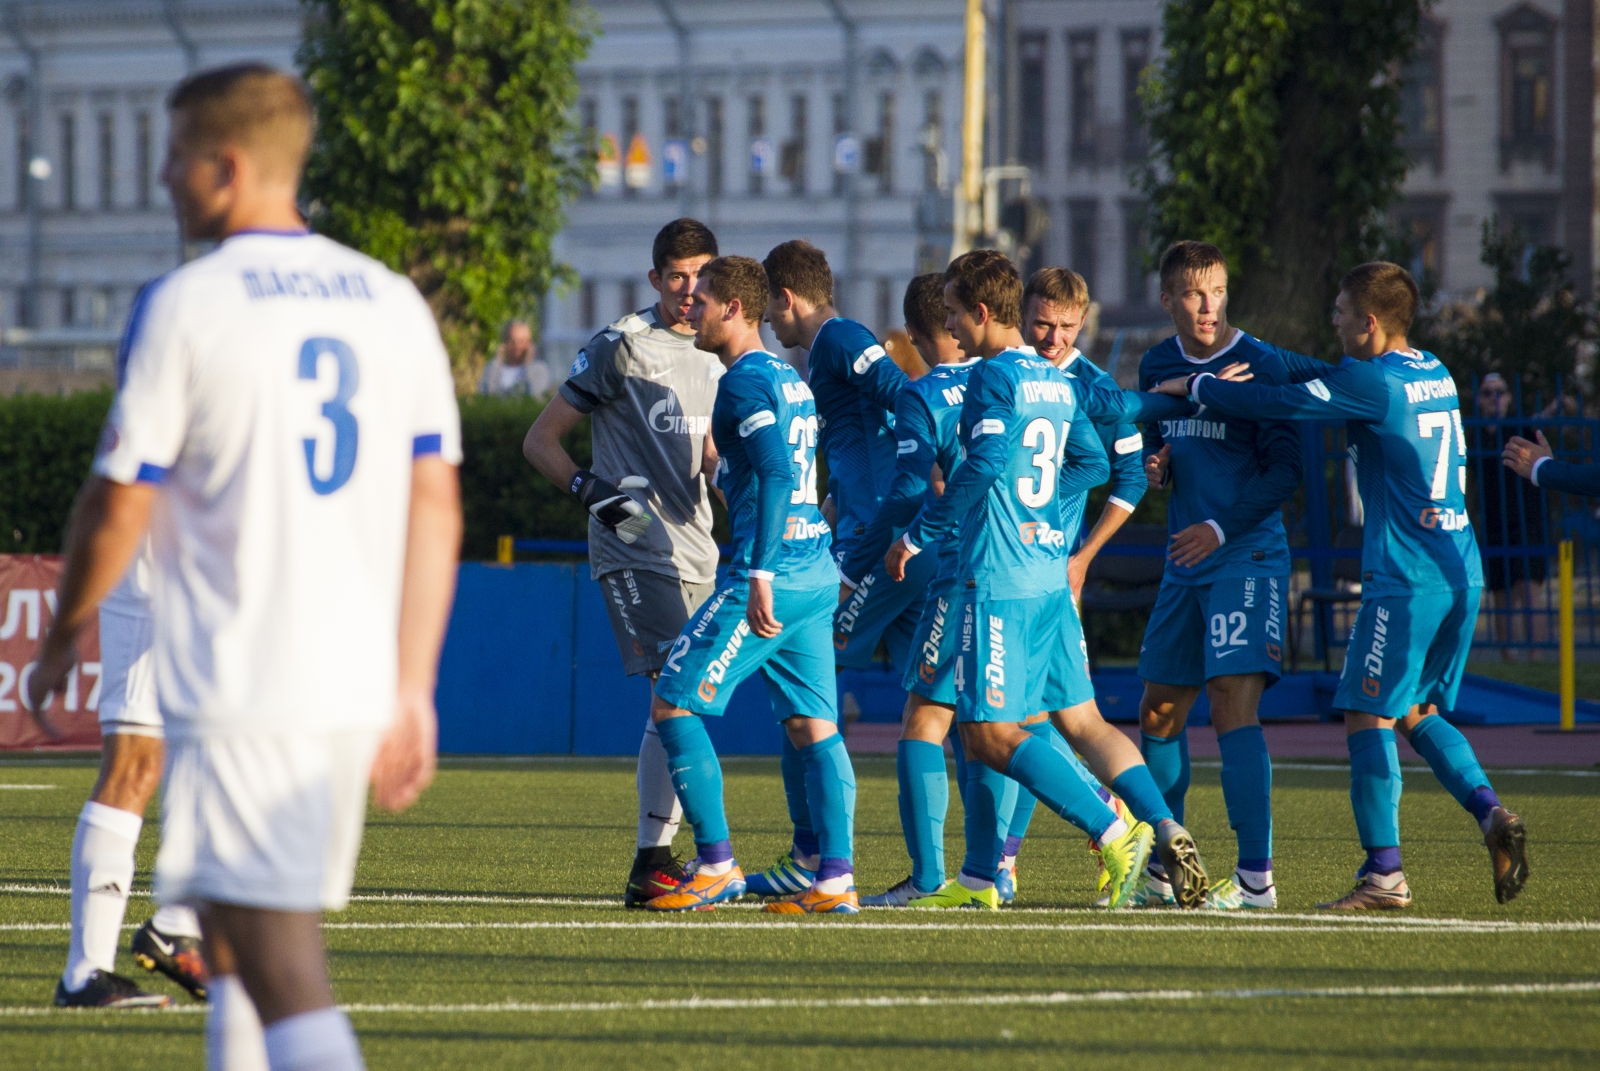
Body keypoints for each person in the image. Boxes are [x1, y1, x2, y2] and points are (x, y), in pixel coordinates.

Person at [27, 62, 462, 1071]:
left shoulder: (192, 302)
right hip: (345, 677)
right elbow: (435, 503)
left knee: (271, 959)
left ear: (225, 166)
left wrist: (60, 635)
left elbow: (119, 492)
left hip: (240, 673)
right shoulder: (391, 300)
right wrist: (411, 685)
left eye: (174, 157)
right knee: (235, 949)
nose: (163, 179)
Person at [1153, 260, 1529, 909]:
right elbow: (1322, 375)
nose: (1335, 322)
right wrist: (1266, 355)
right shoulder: (1429, 368)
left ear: (1370, 323)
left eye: (1341, 314)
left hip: (1408, 577)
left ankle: (1384, 872)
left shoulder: (1372, 382)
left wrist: (1201, 386)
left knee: (1364, 711)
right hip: (1461, 569)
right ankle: (1491, 812)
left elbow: (1279, 404)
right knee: (1416, 711)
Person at [883, 250, 1208, 910]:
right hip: (1049, 577)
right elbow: (1090, 460)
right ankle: (981, 878)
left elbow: (985, 462)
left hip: (997, 578)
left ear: (979, 314)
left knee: (990, 733)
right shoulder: (1058, 381)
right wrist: (1042, 515)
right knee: (1077, 718)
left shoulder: (993, 375)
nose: (949, 327)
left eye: (952, 314)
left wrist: (919, 534)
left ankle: (1114, 828)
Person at [646, 255, 859, 915]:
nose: (692, 309)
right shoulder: (788, 379)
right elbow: (785, 473)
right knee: (813, 724)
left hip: (774, 573)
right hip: (815, 570)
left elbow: (772, 473)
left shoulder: (741, 382)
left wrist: (761, 572)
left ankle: (715, 864)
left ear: (734, 308)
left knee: (674, 703)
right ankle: (835, 879)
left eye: (703, 300)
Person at [523, 218, 723, 907]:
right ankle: (666, 860)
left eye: (702, 277)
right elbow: (540, 441)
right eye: (677, 277)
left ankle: (663, 860)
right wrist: (596, 498)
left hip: (699, 549)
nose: (691, 292)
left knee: (680, 701)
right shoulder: (622, 347)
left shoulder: (725, 353)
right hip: (635, 544)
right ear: (655, 280)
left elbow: (711, 456)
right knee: (675, 691)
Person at [1134, 241, 1302, 910]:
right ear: (1169, 299)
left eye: (1219, 292)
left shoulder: (1259, 364)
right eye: (1196, 294)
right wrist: (1160, 467)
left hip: (1245, 553)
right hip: (1185, 559)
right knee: (1159, 710)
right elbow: (1159, 446)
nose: (1210, 306)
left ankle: (1257, 880)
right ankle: (1163, 865)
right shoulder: (1156, 363)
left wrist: (1223, 528)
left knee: (1232, 703)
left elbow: (1286, 469)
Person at [748, 239, 908, 900]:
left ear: (787, 299)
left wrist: (893, 500)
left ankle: (816, 856)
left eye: (767, 313)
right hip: (868, 536)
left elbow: (906, 398)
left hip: (873, 550)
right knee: (953, 709)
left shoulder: (840, 337)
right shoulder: (826, 355)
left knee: (800, 687)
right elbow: (865, 432)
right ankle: (1018, 852)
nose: (767, 326)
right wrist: (842, 495)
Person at [42, 533, 206, 1009]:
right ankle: (85, 971)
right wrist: (62, 634)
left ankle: (179, 923)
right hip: (158, 555)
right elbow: (114, 494)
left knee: (214, 739)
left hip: (212, 551)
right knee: (133, 762)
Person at [1473, 374, 1550, 656]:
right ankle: (1509, 658)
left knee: (1529, 589)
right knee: (1501, 593)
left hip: (1527, 520)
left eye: (1500, 392)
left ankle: (1537, 658)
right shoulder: (1475, 433)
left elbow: (1542, 421)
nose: (1494, 398)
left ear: (1508, 397)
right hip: (1494, 522)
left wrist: (1555, 408)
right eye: (1487, 392)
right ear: (1479, 399)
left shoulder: (1521, 428)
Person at [477, 320, 550, 397]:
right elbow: (485, 393)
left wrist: (529, 364)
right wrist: (497, 361)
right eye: (512, 341)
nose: (517, 346)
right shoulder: (492, 367)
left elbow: (537, 395)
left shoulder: (539, 369)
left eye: (521, 341)